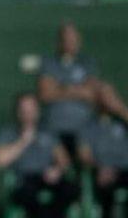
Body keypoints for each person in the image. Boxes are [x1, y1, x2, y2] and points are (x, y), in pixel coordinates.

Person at [37, 22, 128, 154]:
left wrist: (63, 88)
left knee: (106, 90)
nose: (70, 43)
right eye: (66, 39)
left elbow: (91, 92)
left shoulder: (87, 63)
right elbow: (46, 94)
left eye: (73, 39)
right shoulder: (49, 63)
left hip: (85, 127)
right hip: (55, 126)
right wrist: (78, 90)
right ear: (59, 41)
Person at [0, 93, 77, 218]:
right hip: (24, 179)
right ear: (18, 112)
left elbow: (64, 160)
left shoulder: (48, 131)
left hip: (48, 176)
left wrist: (57, 170)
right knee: (26, 193)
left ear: (38, 111)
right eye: (25, 110)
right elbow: (0, 161)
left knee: (69, 189)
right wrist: (23, 141)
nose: (29, 114)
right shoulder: (8, 133)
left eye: (32, 110)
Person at [78, 114, 128, 218]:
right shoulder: (88, 127)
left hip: (124, 170)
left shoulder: (123, 124)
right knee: (104, 186)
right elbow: (84, 155)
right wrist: (101, 168)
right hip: (100, 170)